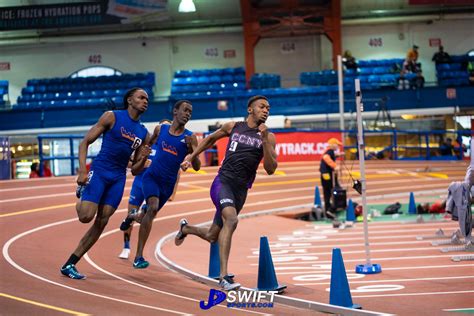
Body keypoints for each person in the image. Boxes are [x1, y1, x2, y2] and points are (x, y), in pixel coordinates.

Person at [175, 95, 277, 291]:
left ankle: (185, 229)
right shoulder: (233, 126)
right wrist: (191, 157)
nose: (266, 110)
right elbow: (210, 139)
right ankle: (223, 277)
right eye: (262, 106)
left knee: (213, 235)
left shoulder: (269, 136)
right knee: (231, 219)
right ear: (250, 109)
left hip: (241, 190)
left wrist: (264, 140)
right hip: (223, 182)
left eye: (268, 108)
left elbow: (271, 169)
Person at [60, 87, 150, 280]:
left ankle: (70, 264)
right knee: (86, 216)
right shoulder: (112, 117)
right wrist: (83, 170)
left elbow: (134, 170)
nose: (145, 101)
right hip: (100, 170)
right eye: (141, 98)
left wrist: (142, 159)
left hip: (118, 177)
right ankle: (83, 193)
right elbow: (85, 142)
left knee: (102, 220)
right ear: (130, 100)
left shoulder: (143, 132)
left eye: (147, 99)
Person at [132, 100, 200, 269]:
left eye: (190, 112)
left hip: (167, 185)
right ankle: (138, 256)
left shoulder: (190, 137)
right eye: (185, 110)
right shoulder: (160, 129)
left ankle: (133, 215)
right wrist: (143, 155)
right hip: (152, 177)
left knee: (146, 216)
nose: (188, 114)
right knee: (152, 207)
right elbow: (148, 143)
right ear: (175, 112)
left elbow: (197, 167)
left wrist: (192, 156)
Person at [118, 119, 178, 260]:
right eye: (163, 126)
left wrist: (173, 193)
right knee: (131, 212)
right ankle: (126, 246)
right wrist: (143, 162)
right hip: (139, 184)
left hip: (155, 187)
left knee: (146, 216)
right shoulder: (147, 144)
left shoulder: (169, 147)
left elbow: (176, 172)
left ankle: (134, 217)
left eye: (168, 126)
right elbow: (130, 162)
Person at [319, 138, 342, 219]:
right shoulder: (329, 152)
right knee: (334, 190)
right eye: (337, 145)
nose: (338, 147)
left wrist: (337, 155)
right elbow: (326, 158)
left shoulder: (328, 151)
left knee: (327, 193)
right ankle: (332, 209)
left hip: (325, 174)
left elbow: (327, 156)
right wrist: (335, 166)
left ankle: (328, 210)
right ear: (333, 145)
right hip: (327, 175)